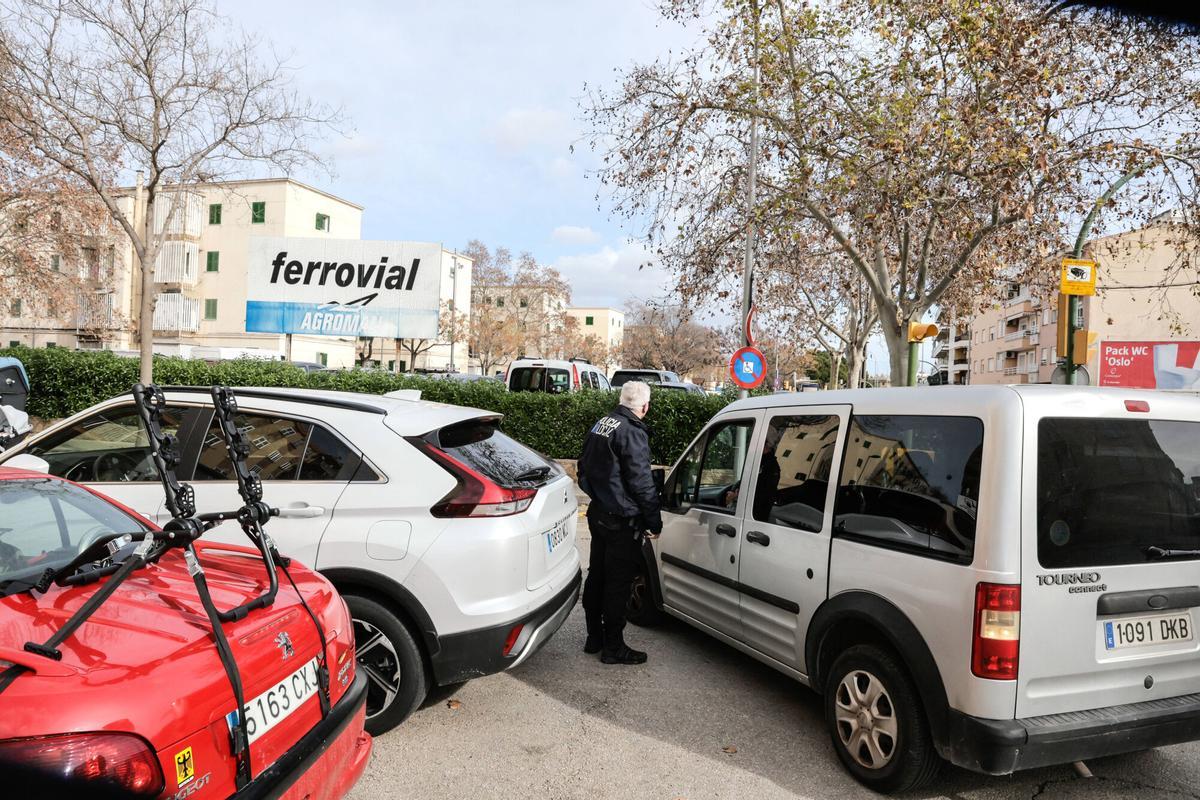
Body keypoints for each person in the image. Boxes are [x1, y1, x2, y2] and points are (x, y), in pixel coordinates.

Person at [577, 380, 662, 665]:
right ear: (645, 406)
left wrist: (600, 495)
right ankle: (613, 647)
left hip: (599, 513)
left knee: (597, 576)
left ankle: (594, 638)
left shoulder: (602, 424)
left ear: (622, 400)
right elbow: (642, 483)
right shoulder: (632, 432)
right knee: (618, 584)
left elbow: (583, 468)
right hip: (621, 521)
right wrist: (653, 521)